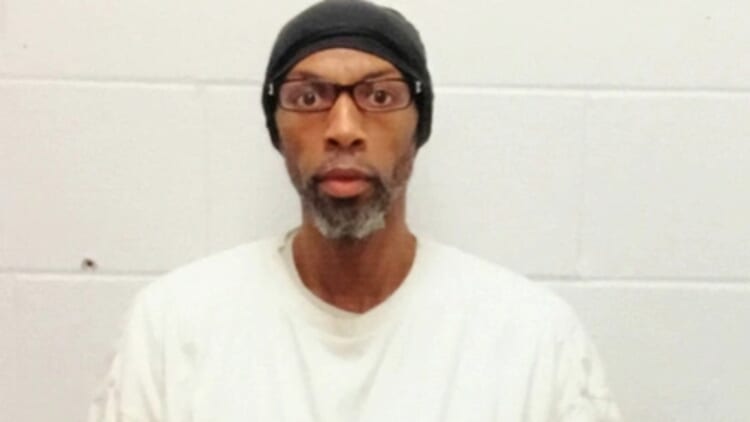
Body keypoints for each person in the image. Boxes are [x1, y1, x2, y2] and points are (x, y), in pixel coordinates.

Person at [89, 0, 622, 421]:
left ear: (419, 127)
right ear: (277, 130)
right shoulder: (173, 327)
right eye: (308, 97)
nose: (343, 129)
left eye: (380, 97)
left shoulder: (531, 339)